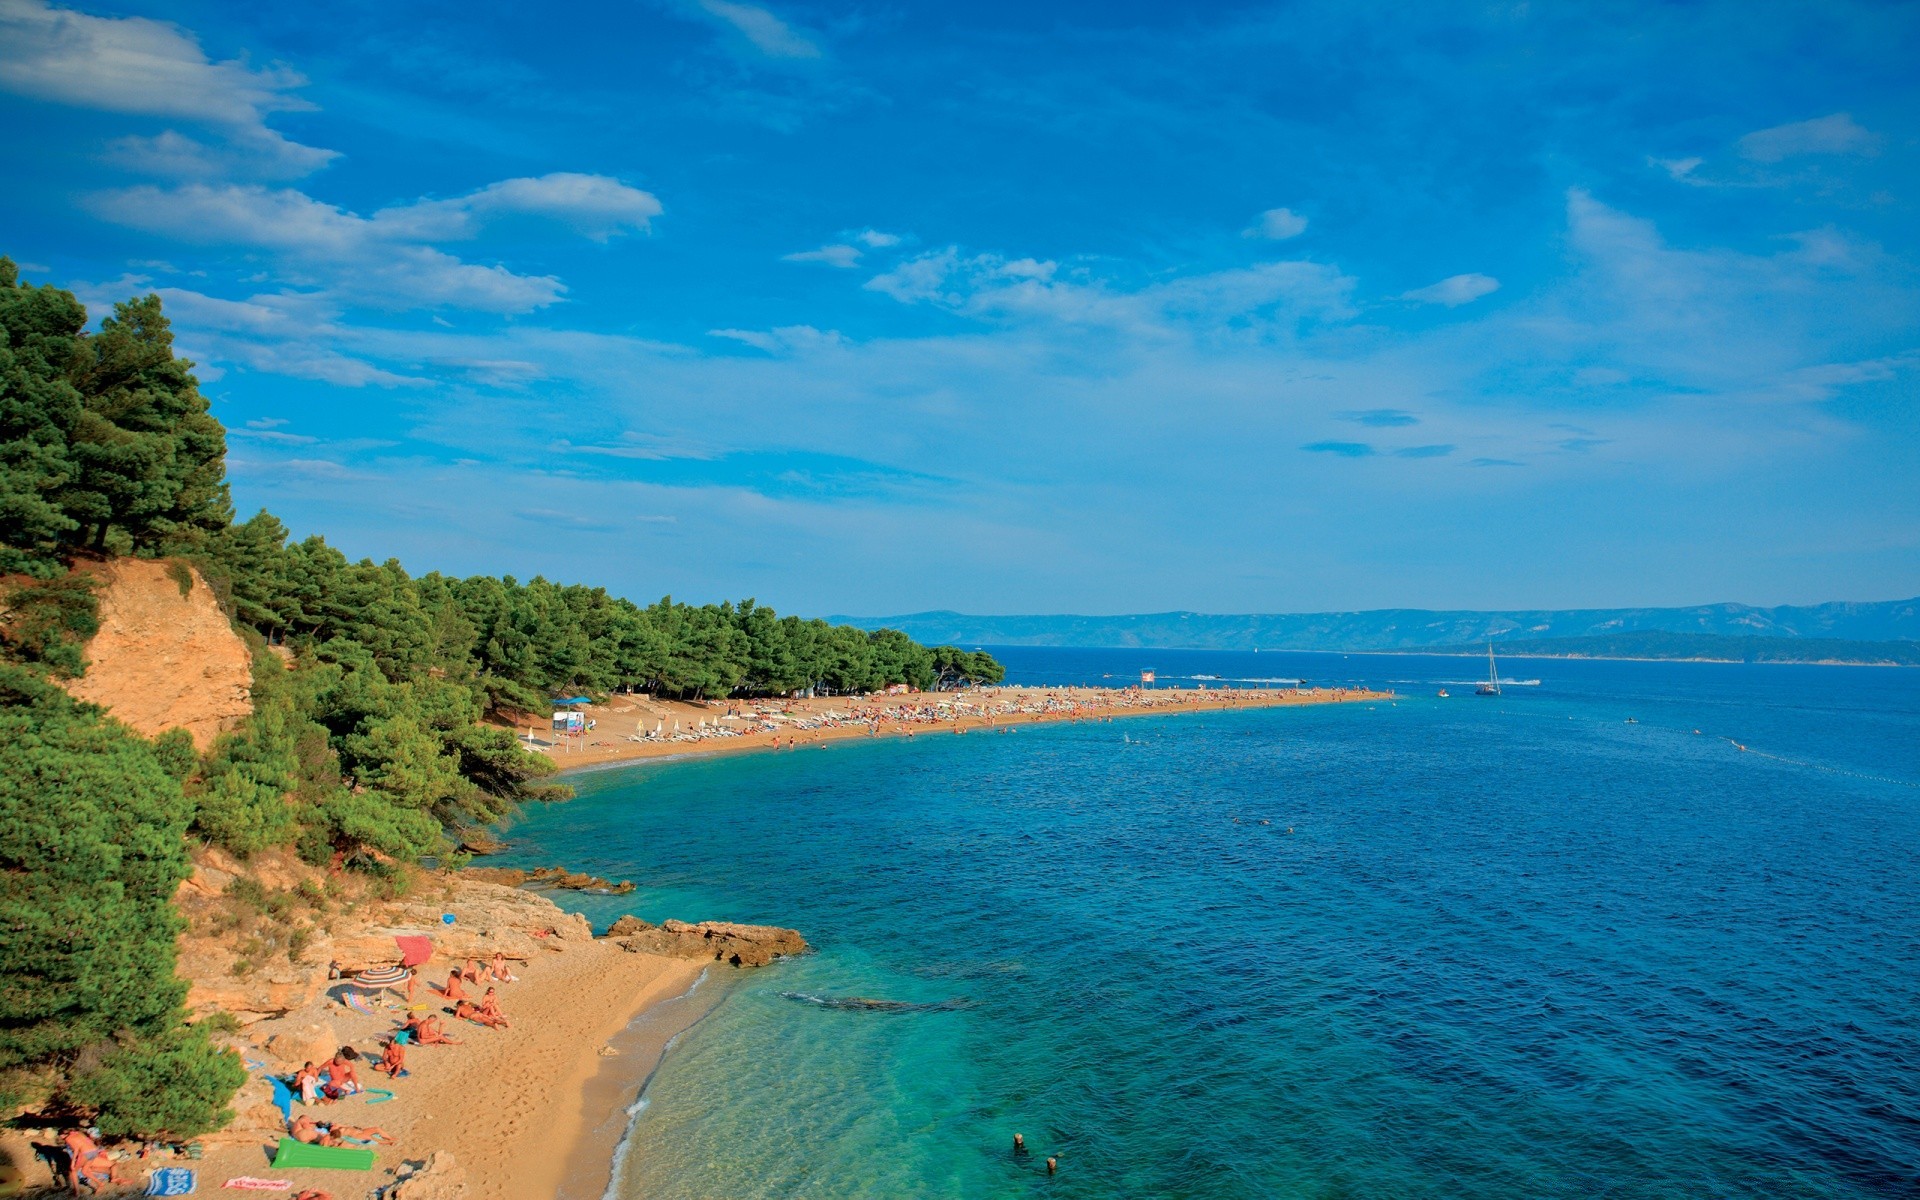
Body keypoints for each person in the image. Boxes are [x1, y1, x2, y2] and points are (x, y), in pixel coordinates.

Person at [62, 1128, 115, 1194]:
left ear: (62, 1135)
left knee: (74, 1171)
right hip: (94, 1151)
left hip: (86, 1153)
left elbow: (76, 1149)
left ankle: (77, 1192)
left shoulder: (68, 1138)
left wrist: (73, 1162)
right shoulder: (79, 1134)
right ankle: (100, 1184)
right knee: (84, 1171)